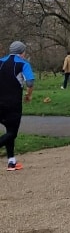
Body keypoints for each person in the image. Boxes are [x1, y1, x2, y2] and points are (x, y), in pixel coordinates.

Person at [0, 40, 35, 171]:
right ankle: (11, 161)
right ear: (21, 52)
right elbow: (30, 83)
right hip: (13, 104)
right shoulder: (23, 64)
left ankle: (11, 162)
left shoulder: (1, 61)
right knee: (12, 132)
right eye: (24, 52)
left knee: (9, 131)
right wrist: (29, 95)